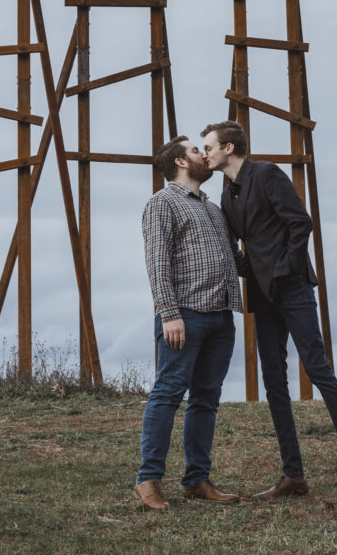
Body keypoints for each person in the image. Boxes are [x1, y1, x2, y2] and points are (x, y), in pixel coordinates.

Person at [202, 120, 337, 504]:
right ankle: (293, 476)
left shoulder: (266, 174)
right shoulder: (226, 195)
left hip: (292, 286)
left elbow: (301, 223)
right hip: (262, 297)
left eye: (210, 147)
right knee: (274, 381)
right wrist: (245, 268)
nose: (207, 153)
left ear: (229, 148)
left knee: (317, 369)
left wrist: (283, 270)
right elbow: (243, 246)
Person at [134, 135, 243, 511]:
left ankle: (196, 480)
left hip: (221, 317)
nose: (204, 154)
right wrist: (169, 313)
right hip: (185, 315)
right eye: (196, 150)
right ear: (180, 162)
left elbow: (233, 257)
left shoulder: (214, 209)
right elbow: (157, 261)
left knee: (206, 400)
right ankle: (148, 481)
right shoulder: (162, 202)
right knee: (167, 394)